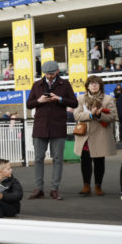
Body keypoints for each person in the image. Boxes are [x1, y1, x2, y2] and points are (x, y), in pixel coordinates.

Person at [26, 61, 78, 200]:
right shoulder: (37, 84)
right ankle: (39, 189)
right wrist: (40, 101)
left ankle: (54, 189)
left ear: (57, 72)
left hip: (58, 126)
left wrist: (59, 98)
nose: (48, 76)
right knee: (38, 159)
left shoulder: (65, 84)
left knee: (58, 159)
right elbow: (29, 104)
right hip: (40, 127)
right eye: (46, 74)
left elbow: (74, 102)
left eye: (51, 74)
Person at [73, 75, 117, 196]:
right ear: (87, 86)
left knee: (99, 161)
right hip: (85, 135)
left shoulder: (107, 99)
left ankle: (98, 185)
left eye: (96, 83)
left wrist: (99, 116)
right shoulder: (80, 98)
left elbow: (113, 117)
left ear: (100, 86)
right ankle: (86, 185)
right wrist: (91, 115)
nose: (94, 85)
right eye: (91, 83)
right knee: (85, 161)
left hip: (100, 135)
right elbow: (77, 116)